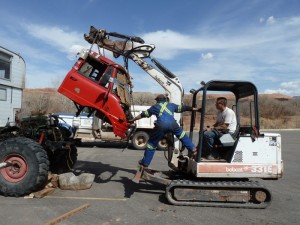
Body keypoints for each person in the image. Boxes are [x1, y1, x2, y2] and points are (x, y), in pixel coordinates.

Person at [128, 94, 200, 167]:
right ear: (165, 99)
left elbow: (143, 114)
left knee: (151, 144)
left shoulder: (155, 107)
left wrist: (133, 119)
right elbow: (183, 108)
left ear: (158, 100)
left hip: (161, 125)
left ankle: (145, 163)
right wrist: (195, 109)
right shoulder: (171, 105)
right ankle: (193, 150)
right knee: (182, 136)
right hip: (173, 124)